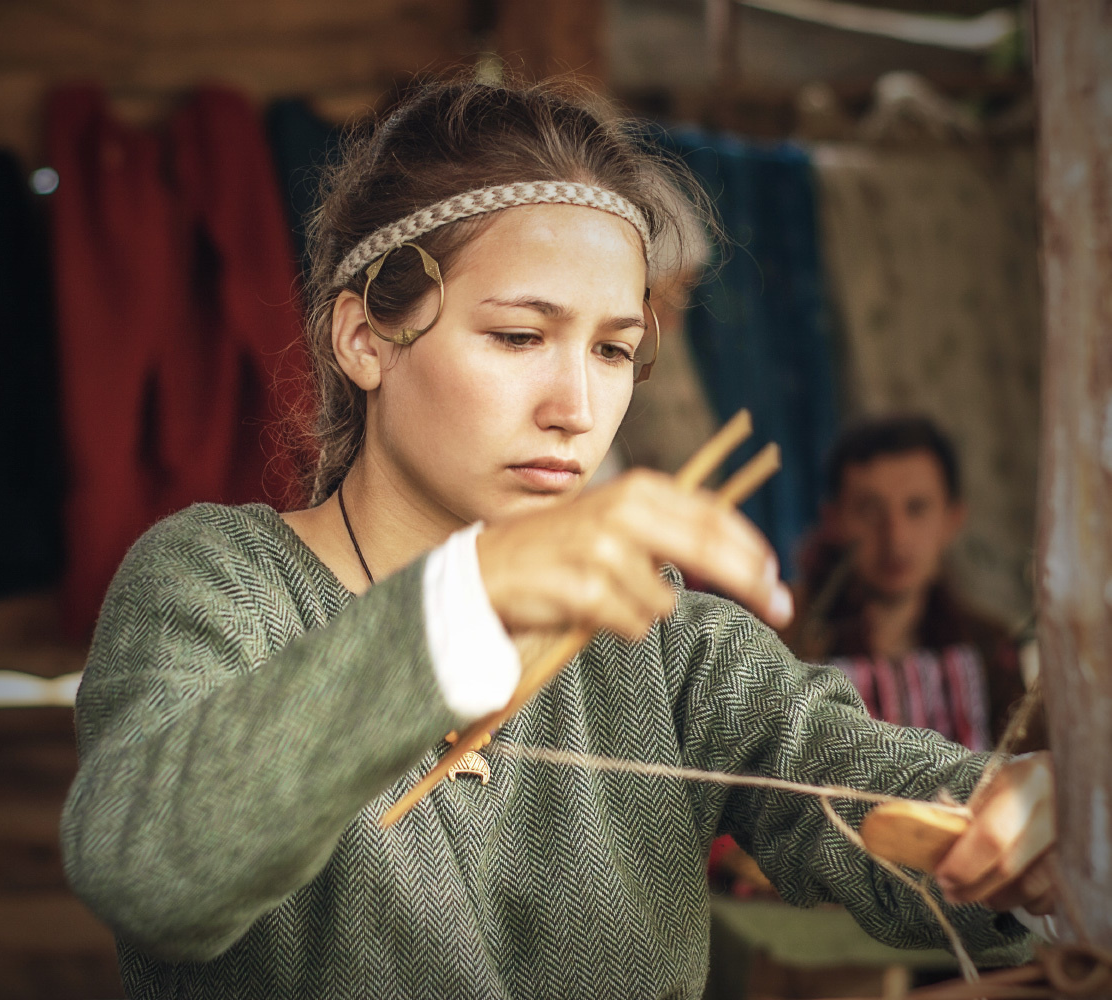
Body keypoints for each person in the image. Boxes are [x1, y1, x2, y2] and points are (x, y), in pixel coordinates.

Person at [61, 80, 1056, 999]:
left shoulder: (658, 635)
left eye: (614, 349)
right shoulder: (216, 582)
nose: (578, 408)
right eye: (518, 336)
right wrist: (472, 595)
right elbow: (149, 869)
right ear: (364, 338)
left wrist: (1035, 829)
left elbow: (863, 778)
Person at [784, 415, 1041, 752]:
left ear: (952, 519)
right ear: (835, 521)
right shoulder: (786, 642)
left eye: (916, 508)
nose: (896, 538)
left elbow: (1023, 772)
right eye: (869, 510)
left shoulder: (990, 649)